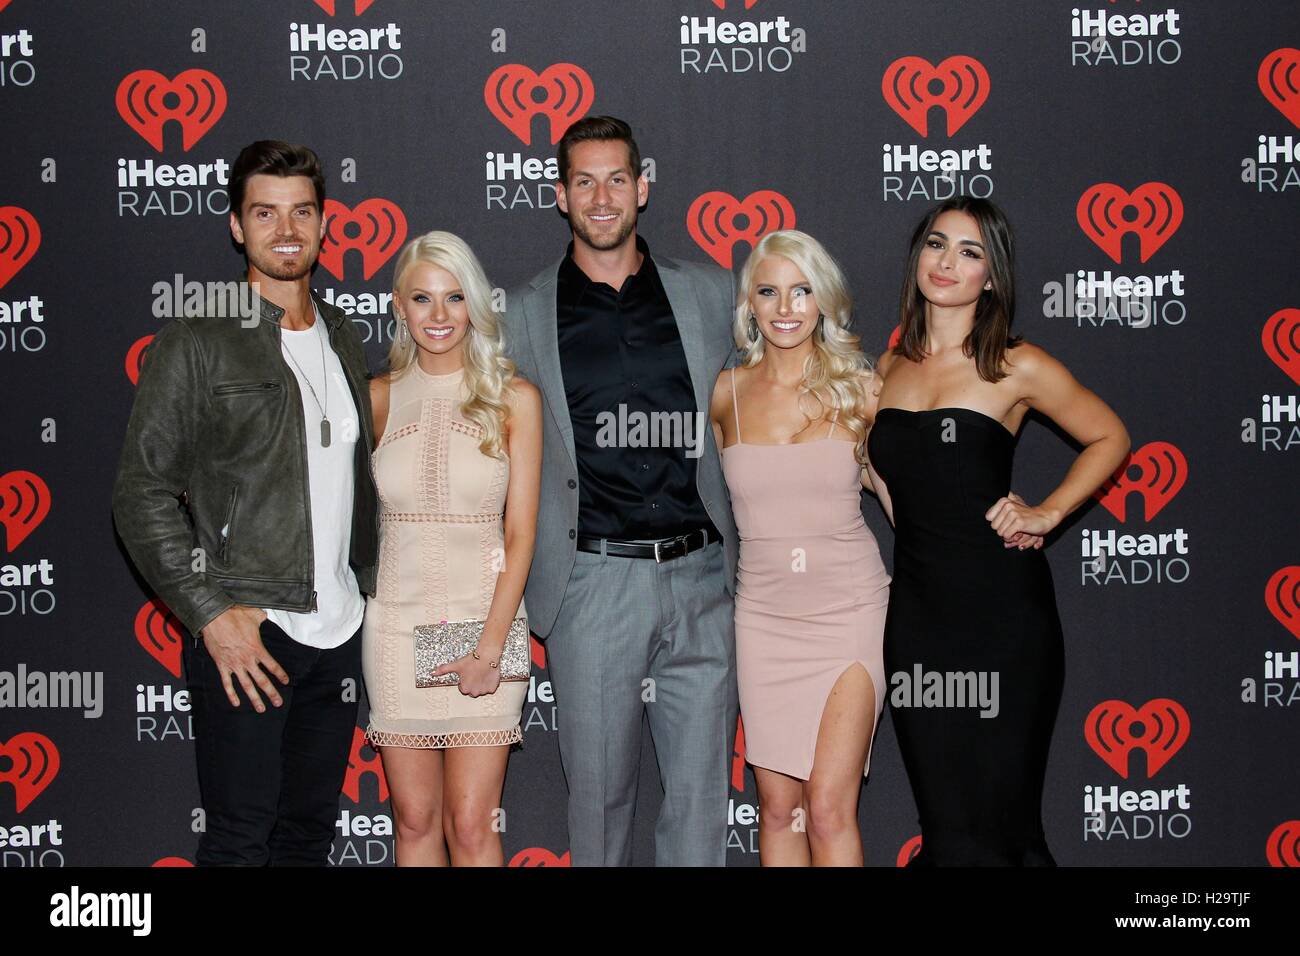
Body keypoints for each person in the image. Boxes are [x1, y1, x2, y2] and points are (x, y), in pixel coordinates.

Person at [112, 140, 380, 866]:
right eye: (265, 212)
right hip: (252, 631)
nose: (285, 229)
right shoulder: (198, 338)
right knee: (240, 839)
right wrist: (209, 614)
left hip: (339, 631)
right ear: (237, 225)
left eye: (302, 212)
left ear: (325, 224)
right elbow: (140, 492)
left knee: (306, 839)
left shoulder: (346, 337)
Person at [502, 115, 739, 866]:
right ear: (559, 196)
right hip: (592, 582)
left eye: (615, 179)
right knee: (599, 803)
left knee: (701, 801)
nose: (601, 197)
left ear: (642, 186)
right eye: (583, 182)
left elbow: (774, 402)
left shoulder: (710, 291)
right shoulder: (521, 315)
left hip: (703, 575)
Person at [865, 196, 1130, 866]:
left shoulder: (1016, 364)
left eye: (969, 252)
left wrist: (1047, 512)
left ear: (992, 275)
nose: (946, 262)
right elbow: (886, 474)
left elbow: (1110, 436)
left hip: (1004, 620)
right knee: (948, 829)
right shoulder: (886, 369)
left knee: (1004, 829)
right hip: (920, 619)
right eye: (935, 244)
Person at [709, 230, 889, 866]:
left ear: (823, 301)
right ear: (749, 306)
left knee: (830, 807)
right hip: (764, 620)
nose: (785, 307)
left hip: (849, 612)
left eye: (802, 290)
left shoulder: (863, 391)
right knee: (779, 809)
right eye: (769, 291)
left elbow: (903, 504)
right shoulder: (724, 395)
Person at [362, 231, 542, 866]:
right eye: (422, 299)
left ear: (476, 306)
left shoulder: (513, 399)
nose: (439, 316)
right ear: (398, 306)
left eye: (454, 298)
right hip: (396, 625)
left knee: (472, 826)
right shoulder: (377, 398)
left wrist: (489, 647)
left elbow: (520, 536)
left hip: (484, 621)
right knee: (414, 822)